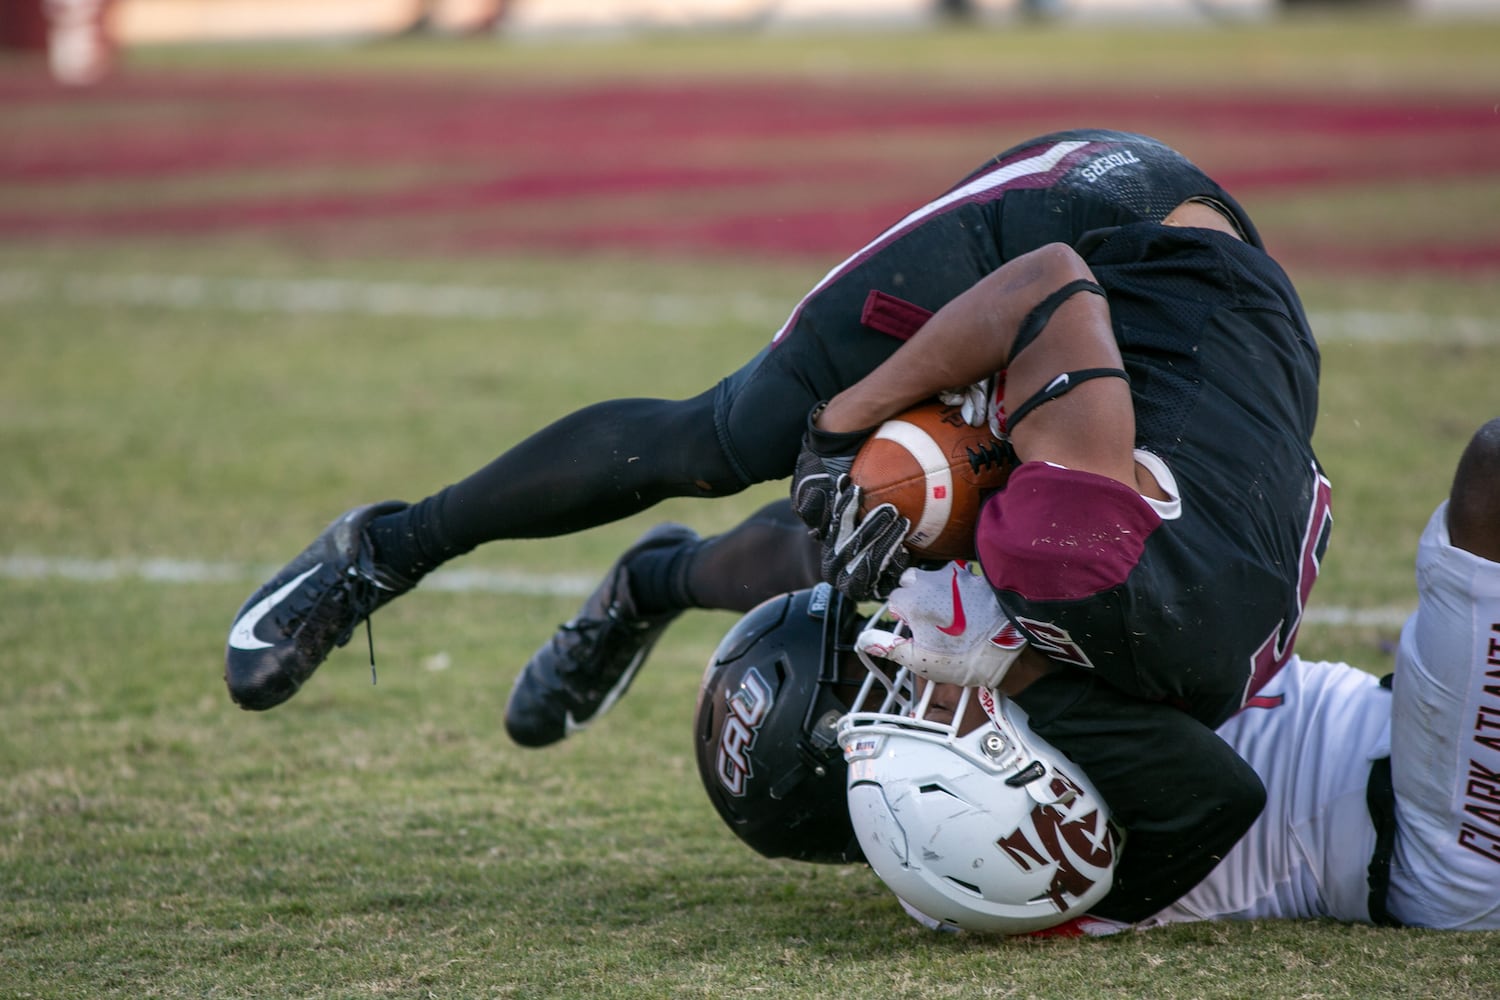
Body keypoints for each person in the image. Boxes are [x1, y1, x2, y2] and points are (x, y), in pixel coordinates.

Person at [224, 128, 1273, 729]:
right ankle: (382, 552)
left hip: (1168, 371)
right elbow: (1048, 284)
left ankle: (653, 582)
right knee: (734, 439)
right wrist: (847, 418)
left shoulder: (1243, 544)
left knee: (884, 544)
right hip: (1062, 219)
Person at [696, 417, 1500, 931]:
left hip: (1403, 748)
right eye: (868, 686)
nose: (897, 653)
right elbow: (1218, 796)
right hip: (1429, 841)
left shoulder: (943, 774)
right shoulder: (956, 846)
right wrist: (1013, 666)